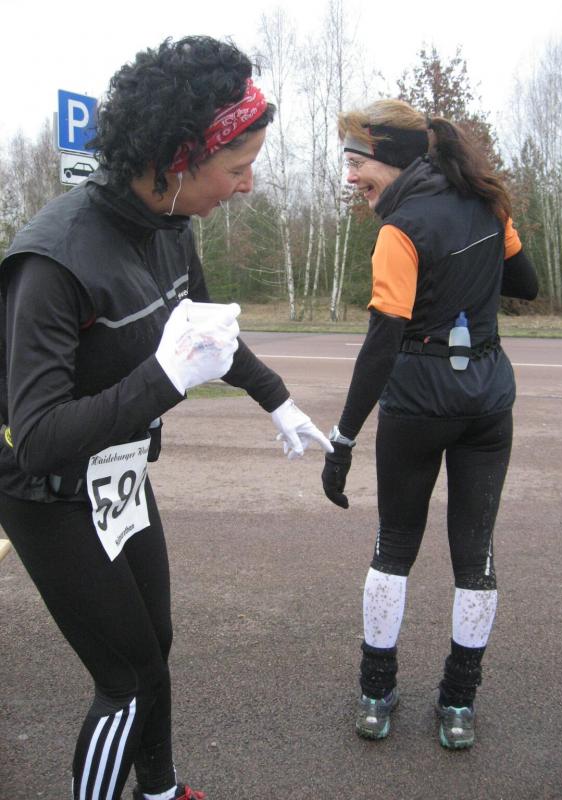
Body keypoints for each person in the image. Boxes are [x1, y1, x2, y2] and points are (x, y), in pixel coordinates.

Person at [0, 36, 332, 800]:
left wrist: (276, 397)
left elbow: (209, 335)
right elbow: (40, 437)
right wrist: (161, 379)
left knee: (157, 644)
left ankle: (160, 790)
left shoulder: (170, 227)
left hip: (116, 472)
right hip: (44, 490)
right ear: (180, 159)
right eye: (239, 166)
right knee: (127, 678)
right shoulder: (53, 261)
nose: (248, 184)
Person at [321, 99, 538, 750]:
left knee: (394, 548)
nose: (351, 177)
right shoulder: (487, 204)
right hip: (488, 403)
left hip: (416, 406)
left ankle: (376, 695)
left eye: (357, 163)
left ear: (391, 159)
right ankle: (458, 705)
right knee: (476, 556)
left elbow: (381, 343)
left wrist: (343, 439)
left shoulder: (401, 228)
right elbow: (525, 283)